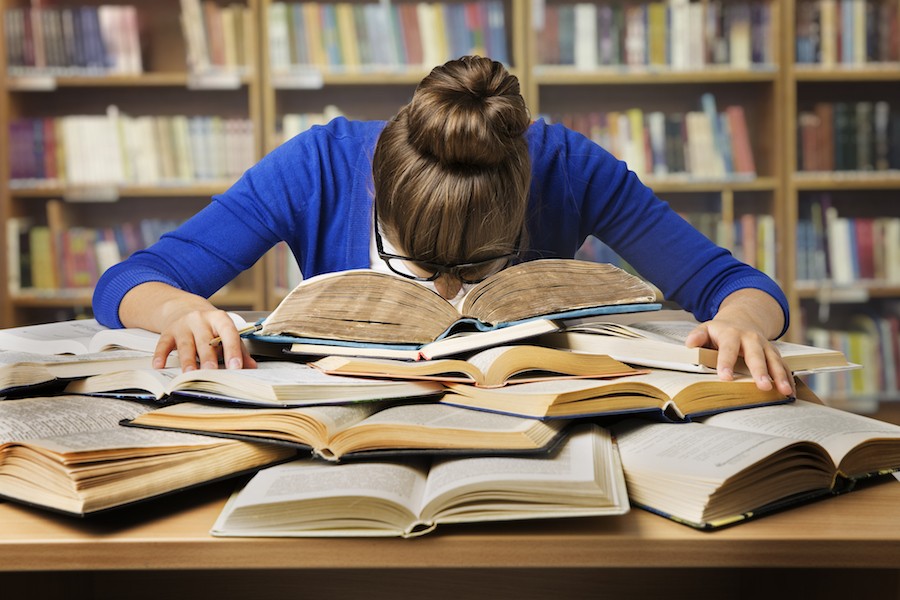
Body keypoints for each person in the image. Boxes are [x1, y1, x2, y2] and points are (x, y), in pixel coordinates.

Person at [92, 55, 794, 397]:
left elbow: (733, 283)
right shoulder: (318, 166)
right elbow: (128, 282)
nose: (449, 299)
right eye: (414, 266)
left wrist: (742, 323)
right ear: (378, 198)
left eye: (481, 269)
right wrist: (180, 309)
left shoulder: (567, 166)